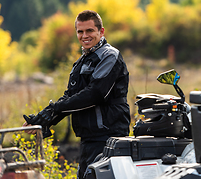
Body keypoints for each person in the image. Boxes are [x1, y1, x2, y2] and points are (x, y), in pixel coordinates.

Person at [23, 10, 130, 179]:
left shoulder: (110, 56)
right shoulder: (81, 62)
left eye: (89, 31)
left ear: (101, 32)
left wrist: (55, 107)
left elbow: (94, 94)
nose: (84, 36)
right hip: (88, 138)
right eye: (80, 31)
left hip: (108, 136)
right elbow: (71, 97)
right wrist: (45, 117)